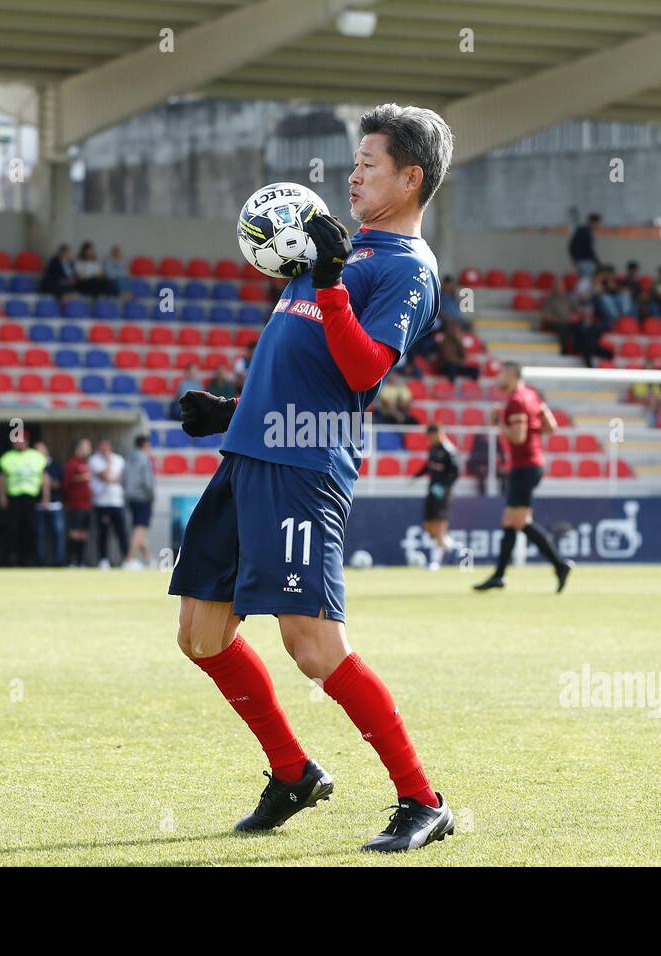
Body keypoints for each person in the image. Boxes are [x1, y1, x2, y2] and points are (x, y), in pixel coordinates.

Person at [170, 104, 455, 852]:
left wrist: (328, 281)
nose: (353, 174)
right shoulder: (338, 251)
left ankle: (423, 800)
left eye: (368, 163)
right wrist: (231, 413)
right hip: (251, 457)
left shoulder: (405, 269)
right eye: (354, 162)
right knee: (200, 636)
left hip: (304, 470)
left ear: (410, 177)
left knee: (314, 648)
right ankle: (294, 772)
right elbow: (305, 368)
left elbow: (364, 372)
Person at [474, 361, 573, 593]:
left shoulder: (517, 400)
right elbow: (551, 426)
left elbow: (517, 437)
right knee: (510, 522)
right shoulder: (531, 395)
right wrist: (533, 433)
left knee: (519, 522)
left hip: (525, 466)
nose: (498, 377)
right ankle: (499, 576)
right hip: (530, 464)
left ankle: (560, 564)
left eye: (502, 373)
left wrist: (500, 422)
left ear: (512, 374)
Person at [413, 424, 460, 571]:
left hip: (443, 494)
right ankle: (453, 547)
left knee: (439, 525)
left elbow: (455, 474)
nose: (429, 439)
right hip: (432, 491)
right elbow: (429, 466)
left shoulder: (449, 451)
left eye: (430, 436)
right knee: (428, 526)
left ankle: (435, 561)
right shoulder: (433, 449)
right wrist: (416, 476)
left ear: (439, 433)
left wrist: (444, 488)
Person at [0, 436, 48, 566]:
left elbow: (44, 478)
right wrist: (2, 497)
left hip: (31, 497)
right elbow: (1, 478)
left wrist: (45, 497)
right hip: (14, 497)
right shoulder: (7, 457)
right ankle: (13, 558)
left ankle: (30, 559)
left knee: (31, 528)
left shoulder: (36, 456)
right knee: (13, 528)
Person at [88, 438, 128, 568]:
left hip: (117, 502)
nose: (105, 449)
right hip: (102, 503)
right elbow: (107, 477)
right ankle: (103, 559)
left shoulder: (119, 459)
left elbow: (122, 478)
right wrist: (108, 464)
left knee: (121, 531)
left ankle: (126, 559)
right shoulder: (94, 460)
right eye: (102, 447)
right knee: (103, 532)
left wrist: (112, 477)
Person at [122, 435, 156, 569]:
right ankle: (129, 560)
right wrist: (152, 497)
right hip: (142, 498)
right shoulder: (145, 459)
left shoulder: (129, 459)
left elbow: (123, 477)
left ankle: (149, 561)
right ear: (145, 445)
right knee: (140, 530)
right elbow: (148, 482)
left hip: (130, 498)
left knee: (139, 530)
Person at [63, 438, 94, 567]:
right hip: (75, 505)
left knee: (84, 534)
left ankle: (81, 561)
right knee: (74, 533)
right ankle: (72, 561)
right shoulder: (72, 464)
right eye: (85, 447)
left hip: (87, 505)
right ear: (77, 449)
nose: (88, 450)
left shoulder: (87, 465)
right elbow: (66, 485)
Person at [35, 440, 66, 567]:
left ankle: (59, 561)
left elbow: (59, 484)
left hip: (55, 505)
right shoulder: (33, 466)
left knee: (58, 533)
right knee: (40, 534)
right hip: (39, 506)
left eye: (40, 450)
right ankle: (40, 561)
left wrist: (47, 483)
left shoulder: (56, 465)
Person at [568, 212, 600, 280]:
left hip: (585, 260)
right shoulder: (583, 231)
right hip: (584, 260)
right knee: (587, 279)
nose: (597, 226)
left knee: (586, 278)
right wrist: (576, 258)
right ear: (592, 222)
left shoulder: (589, 232)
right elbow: (574, 246)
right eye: (597, 223)